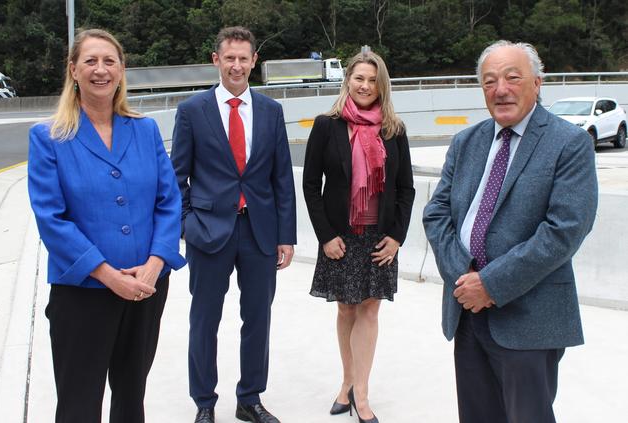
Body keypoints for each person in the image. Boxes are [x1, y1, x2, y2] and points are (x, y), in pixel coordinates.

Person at [423, 40, 598, 423]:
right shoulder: (466, 142)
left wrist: (490, 283)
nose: (500, 89)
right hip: (467, 309)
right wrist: (465, 277)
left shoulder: (569, 143)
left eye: (512, 78)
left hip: (529, 317)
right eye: (489, 81)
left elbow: (564, 230)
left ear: (537, 82)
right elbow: (436, 214)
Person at [27, 29, 186, 423]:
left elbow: (169, 202)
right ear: (73, 71)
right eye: (91, 61)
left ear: (121, 69)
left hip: (146, 287)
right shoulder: (49, 137)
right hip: (84, 292)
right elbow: (52, 219)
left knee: (131, 398)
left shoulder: (145, 130)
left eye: (109, 61)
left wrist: (155, 263)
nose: (101, 70)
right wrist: (107, 275)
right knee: (80, 403)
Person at [170, 26, 296, 423]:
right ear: (216, 61)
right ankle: (204, 403)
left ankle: (250, 399)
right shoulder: (192, 111)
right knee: (204, 320)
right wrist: (187, 224)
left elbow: (282, 179)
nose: (237, 65)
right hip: (209, 232)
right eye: (230, 58)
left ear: (254, 61)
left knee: (258, 318)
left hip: (259, 232)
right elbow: (177, 178)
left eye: (244, 58)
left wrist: (286, 236)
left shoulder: (272, 112)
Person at [302, 51, 415, 423]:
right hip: (340, 236)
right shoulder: (327, 125)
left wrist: (397, 237)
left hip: (379, 237)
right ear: (347, 80)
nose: (365, 86)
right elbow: (310, 185)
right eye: (359, 78)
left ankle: (361, 395)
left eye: (372, 80)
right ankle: (346, 384)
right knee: (346, 307)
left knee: (369, 308)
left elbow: (405, 190)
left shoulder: (394, 130)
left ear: (381, 85)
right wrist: (326, 235)